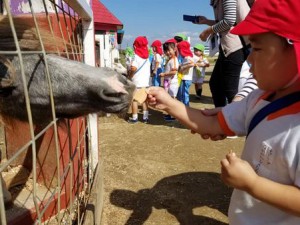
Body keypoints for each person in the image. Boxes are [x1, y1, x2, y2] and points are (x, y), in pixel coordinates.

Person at [147, 0, 300, 224]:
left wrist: (252, 185)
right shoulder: (257, 99)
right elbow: (212, 123)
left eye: (256, 48)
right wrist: (169, 103)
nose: (248, 59)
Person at [194, 0, 251, 107]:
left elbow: (229, 21)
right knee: (216, 84)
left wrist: (208, 31)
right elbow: (228, 21)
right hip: (229, 47)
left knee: (230, 90)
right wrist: (206, 21)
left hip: (234, 46)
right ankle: (222, 117)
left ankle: (232, 120)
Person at [128, 36, 151, 124]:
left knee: (134, 100)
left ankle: (134, 117)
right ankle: (145, 118)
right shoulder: (147, 58)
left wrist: (130, 75)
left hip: (137, 82)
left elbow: (133, 68)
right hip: (145, 82)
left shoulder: (136, 56)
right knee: (144, 100)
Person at [159, 39, 179, 121]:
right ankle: (171, 114)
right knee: (170, 99)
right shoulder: (171, 59)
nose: (167, 52)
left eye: (169, 50)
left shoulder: (174, 60)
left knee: (172, 100)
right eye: (165, 51)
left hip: (172, 83)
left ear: (174, 49)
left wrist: (164, 74)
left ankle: (173, 116)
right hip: (169, 82)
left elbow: (174, 72)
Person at [176, 41, 194, 106]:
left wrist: (183, 67)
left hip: (185, 79)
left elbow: (192, 64)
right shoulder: (186, 57)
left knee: (184, 95)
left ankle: (186, 108)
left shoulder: (187, 57)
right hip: (185, 78)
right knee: (183, 94)